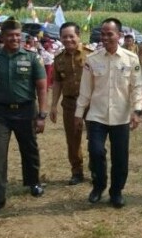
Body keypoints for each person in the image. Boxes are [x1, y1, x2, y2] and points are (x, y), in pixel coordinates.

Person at [0, 17, 47, 216]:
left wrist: (41, 114)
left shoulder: (33, 58)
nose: (15, 39)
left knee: (29, 148)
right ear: (2, 37)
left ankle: (33, 182)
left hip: (26, 111)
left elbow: (42, 88)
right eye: (10, 35)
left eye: (18, 35)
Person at [74, 17, 142, 208]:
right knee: (96, 152)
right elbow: (85, 90)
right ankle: (98, 186)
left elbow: (137, 87)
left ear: (119, 35)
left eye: (109, 34)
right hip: (97, 115)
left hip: (121, 116)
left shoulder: (131, 59)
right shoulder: (92, 60)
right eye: (102, 34)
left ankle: (116, 192)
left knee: (120, 157)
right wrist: (79, 114)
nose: (105, 38)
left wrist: (137, 111)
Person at [50, 22, 92, 185]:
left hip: (90, 103)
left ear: (78, 36)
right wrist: (53, 105)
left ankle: (95, 169)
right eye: (64, 37)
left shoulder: (91, 55)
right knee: (72, 139)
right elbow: (57, 82)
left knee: (95, 138)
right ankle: (77, 171)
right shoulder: (59, 59)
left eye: (71, 36)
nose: (68, 40)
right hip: (70, 104)